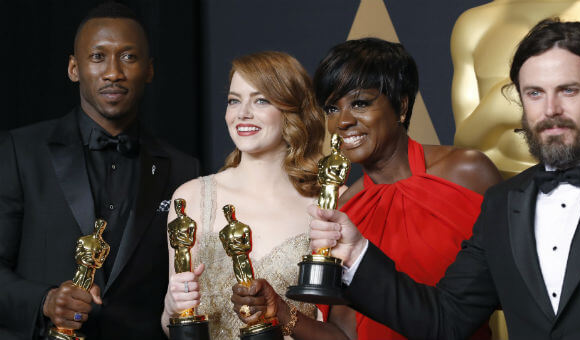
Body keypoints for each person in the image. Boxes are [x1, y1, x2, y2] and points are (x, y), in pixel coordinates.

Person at [309, 19, 580, 339]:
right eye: (535, 93)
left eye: (568, 90)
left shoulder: (470, 176)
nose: (550, 109)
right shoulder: (505, 203)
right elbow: (447, 319)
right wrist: (358, 253)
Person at [231, 38, 501, 340]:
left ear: (401, 106)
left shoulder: (467, 172)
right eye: (332, 108)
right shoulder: (345, 210)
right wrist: (281, 312)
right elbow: (346, 335)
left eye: (360, 103)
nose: (343, 121)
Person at [0, 3, 200, 339]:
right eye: (97, 57)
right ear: (73, 68)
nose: (113, 72)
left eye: (128, 57)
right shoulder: (20, 151)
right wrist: (46, 301)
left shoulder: (183, 168)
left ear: (149, 70)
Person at [160, 51, 324, 340]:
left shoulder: (327, 204)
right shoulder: (192, 198)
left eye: (260, 100)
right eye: (234, 100)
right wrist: (171, 308)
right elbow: (174, 324)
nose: (242, 113)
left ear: (292, 109)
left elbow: (341, 330)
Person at [451, 0, 580, 178]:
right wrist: (493, 109)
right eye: (534, 93)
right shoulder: (473, 24)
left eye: (569, 90)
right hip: (498, 192)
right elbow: (462, 144)